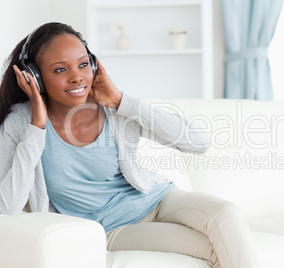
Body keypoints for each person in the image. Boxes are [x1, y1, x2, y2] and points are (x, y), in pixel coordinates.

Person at [0, 22, 260, 268]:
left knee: (226, 213)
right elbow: (8, 206)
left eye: (82, 65)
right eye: (60, 69)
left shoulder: (111, 105)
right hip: (115, 227)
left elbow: (199, 142)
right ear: (32, 76)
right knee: (216, 249)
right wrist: (37, 126)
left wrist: (121, 101)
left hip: (158, 199)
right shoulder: (21, 124)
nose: (77, 77)